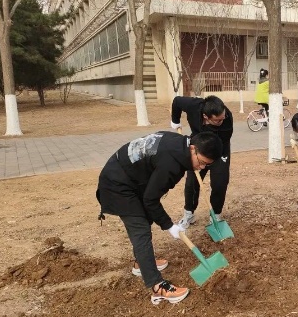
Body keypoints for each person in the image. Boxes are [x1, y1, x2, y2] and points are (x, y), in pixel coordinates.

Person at [96, 131, 223, 304]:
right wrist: (169, 226)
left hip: (131, 178)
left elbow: (150, 194)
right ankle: (158, 287)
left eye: (206, 165)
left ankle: (141, 263)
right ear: (193, 148)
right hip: (117, 185)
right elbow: (150, 200)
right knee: (140, 229)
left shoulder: (180, 144)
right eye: (201, 162)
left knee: (146, 218)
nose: (201, 167)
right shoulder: (171, 164)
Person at [171, 95, 233, 227]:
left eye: (223, 117)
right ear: (206, 116)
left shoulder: (226, 121)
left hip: (219, 149)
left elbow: (219, 145)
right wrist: (175, 120)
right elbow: (177, 102)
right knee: (192, 183)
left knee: (220, 182)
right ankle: (189, 214)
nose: (222, 120)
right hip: (198, 147)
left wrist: (210, 162)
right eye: (217, 120)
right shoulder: (193, 105)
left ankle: (216, 215)